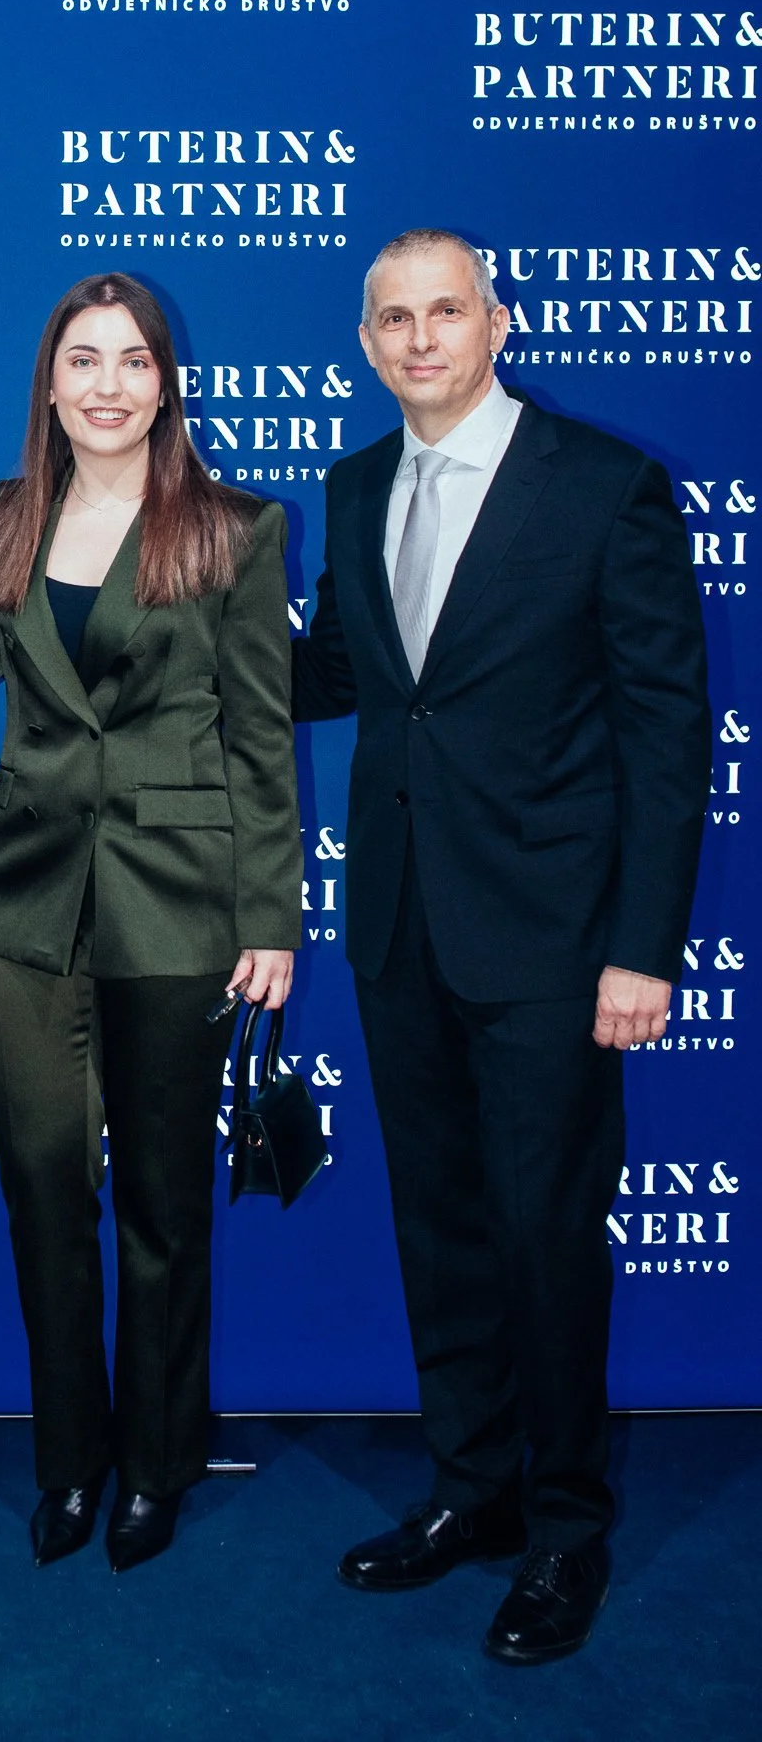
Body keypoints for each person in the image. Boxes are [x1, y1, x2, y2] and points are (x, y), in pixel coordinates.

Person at [293, 229, 709, 1664]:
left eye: (445, 312)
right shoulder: (352, 489)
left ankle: (566, 1532)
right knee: (443, 1235)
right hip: (403, 926)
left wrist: (643, 949)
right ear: (366, 343)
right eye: (393, 318)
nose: (419, 339)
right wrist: (157, 627)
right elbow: (343, 674)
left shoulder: (603, 486)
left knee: (545, 1243)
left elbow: (667, 739)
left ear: (496, 321)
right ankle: (468, 1493)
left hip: (552, 943)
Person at [0, 272, 301, 1573]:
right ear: (48, 383)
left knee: (161, 1205)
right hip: (25, 901)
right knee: (45, 1193)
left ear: (166, 381)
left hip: (183, 903)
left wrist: (270, 915)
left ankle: (157, 1463)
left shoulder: (235, 531)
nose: (106, 384)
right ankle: (69, 1462)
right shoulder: (0, 520)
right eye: (82, 360)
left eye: (132, 361)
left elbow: (263, 736)